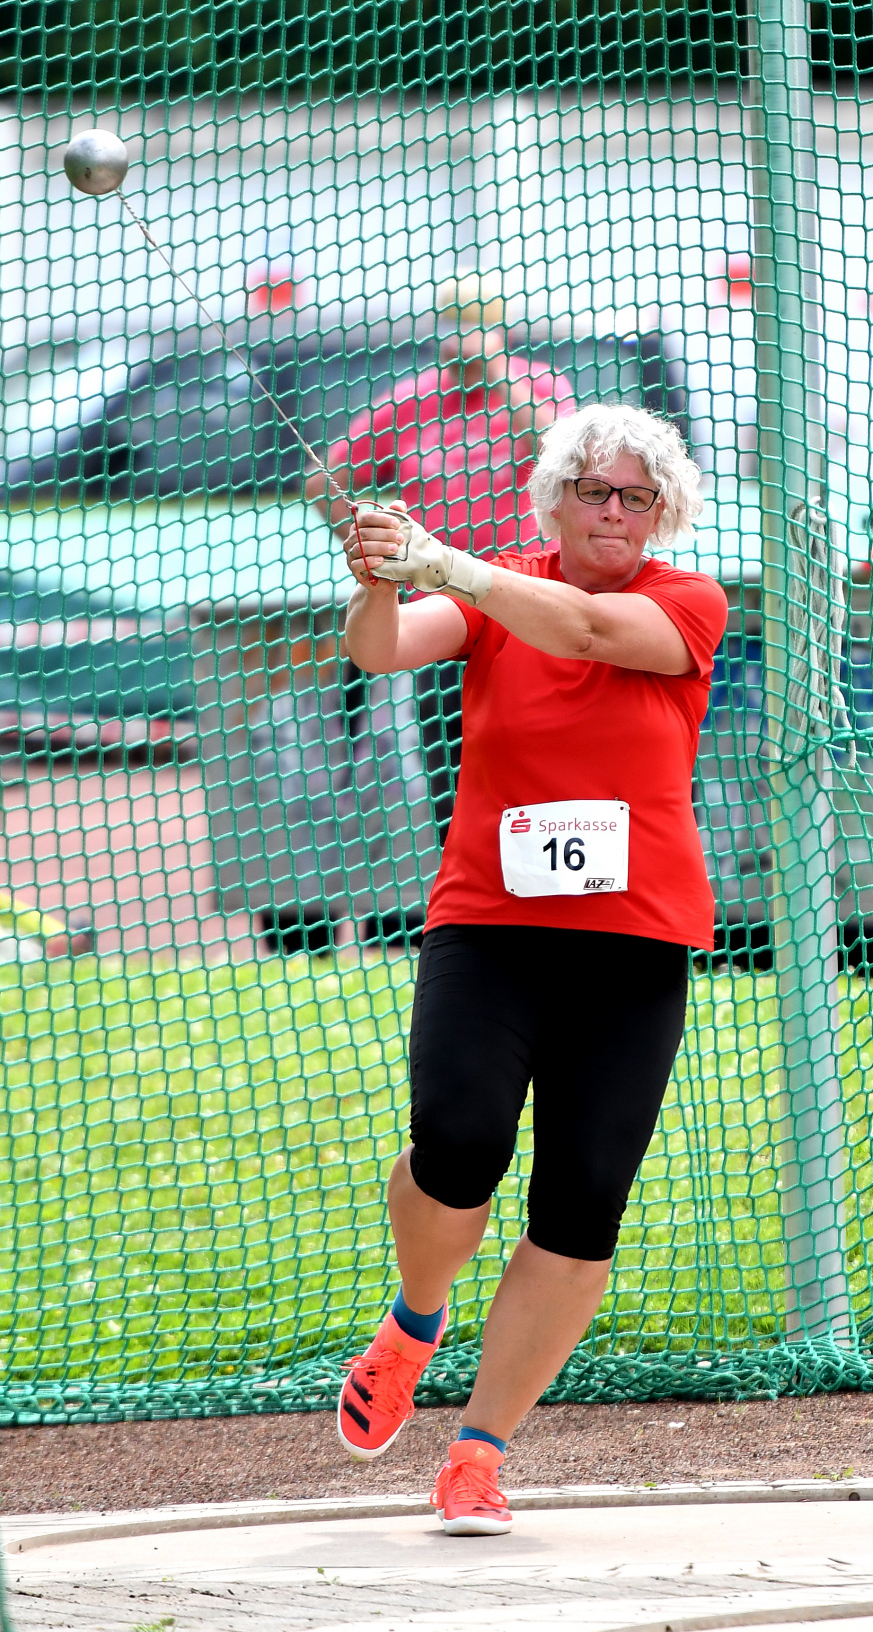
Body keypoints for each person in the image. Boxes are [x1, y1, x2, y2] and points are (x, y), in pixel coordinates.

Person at [334, 402, 728, 1535]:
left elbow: (589, 636)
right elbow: (383, 647)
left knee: (581, 1204)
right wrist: (377, 578)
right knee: (458, 1142)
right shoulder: (488, 592)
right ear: (552, 500)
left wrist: (438, 557)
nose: (614, 511)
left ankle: (478, 1454)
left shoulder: (681, 603)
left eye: (636, 497)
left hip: (635, 940)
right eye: (594, 491)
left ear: (663, 513)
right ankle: (416, 1320)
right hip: (490, 926)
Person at [307, 274, 575, 845]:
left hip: (526, 601)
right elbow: (323, 481)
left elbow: (563, 458)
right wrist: (368, 549)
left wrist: (500, 379)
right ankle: (467, 872)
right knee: (452, 755)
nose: (462, 344)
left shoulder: (536, 387)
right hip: (444, 609)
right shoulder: (411, 401)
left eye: (475, 327)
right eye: (453, 328)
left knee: (540, 747)